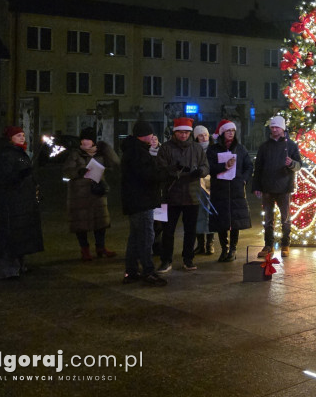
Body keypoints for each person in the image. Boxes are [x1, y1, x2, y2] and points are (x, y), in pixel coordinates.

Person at [156, 117, 209, 272]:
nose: (184, 135)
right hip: (170, 195)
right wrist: (174, 170)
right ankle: (166, 260)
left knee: (190, 230)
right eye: (180, 132)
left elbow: (205, 165)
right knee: (168, 231)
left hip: (191, 195)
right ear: (175, 132)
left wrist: (201, 171)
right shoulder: (166, 148)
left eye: (186, 132)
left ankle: (188, 259)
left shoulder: (197, 148)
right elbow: (160, 168)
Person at [120, 120, 167, 286]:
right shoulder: (138, 153)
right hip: (141, 201)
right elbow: (147, 176)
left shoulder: (132, 150)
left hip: (135, 202)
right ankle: (148, 271)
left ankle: (131, 271)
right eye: (151, 133)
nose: (153, 136)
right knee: (146, 237)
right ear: (145, 135)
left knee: (135, 238)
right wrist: (163, 174)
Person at [0, 126, 44, 279]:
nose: (22, 137)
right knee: (11, 235)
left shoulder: (20, 153)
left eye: (23, 135)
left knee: (23, 234)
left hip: (24, 200)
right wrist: (21, 175)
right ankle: (9, 269)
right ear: (10, 138)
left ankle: (20, 265)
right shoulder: (7, 155)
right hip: (13, 202)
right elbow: (5, 178)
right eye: (18, 135)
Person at [63, 127, 119, 261]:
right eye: (83, 139)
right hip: (80, 194)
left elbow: (115, 163)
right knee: (81, 223)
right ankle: (85, 250)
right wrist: (79, 171)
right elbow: (66, 171)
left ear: (93, 141)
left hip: (97, 192)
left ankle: (101, 247)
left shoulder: (100, 153)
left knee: (100, 221)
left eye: (88, 139)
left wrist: (107, 149)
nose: (85, 142)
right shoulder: (75, 154)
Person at [252, 115, 303, 258]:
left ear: (282, 128)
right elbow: (258, 168)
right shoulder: (265, 147)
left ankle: (285, 244)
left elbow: (299, 165)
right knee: (268, 219)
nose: (274, 129)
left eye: (277, 127)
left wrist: (291, 164)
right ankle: (268, 245)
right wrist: (256, 186)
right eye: (272, 127)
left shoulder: (291, 145)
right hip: (267, 187)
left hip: (284, 187)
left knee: (285, 218)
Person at [207, 120, 254, 262]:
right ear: (222, 133)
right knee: (221, 221)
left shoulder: (240, 149)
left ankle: (233, 249)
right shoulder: (213, 149)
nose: (231, 133)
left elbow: (248, 166)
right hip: (219, 190)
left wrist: (243, 179)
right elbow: (209, 167)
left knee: (235, 221)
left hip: (236, 190)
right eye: (228, 131)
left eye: (233, 131)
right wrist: (223, 167)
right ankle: (224, 248)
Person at [192, 125, 215, 257]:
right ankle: (200, 244)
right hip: (197, 185)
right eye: (200, 135)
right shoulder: (193, 150)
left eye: (205, 134)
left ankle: (210, 244)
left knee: (210, 214)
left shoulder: (213, 149)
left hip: (211, 185)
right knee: (198, 215)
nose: (204, 137)